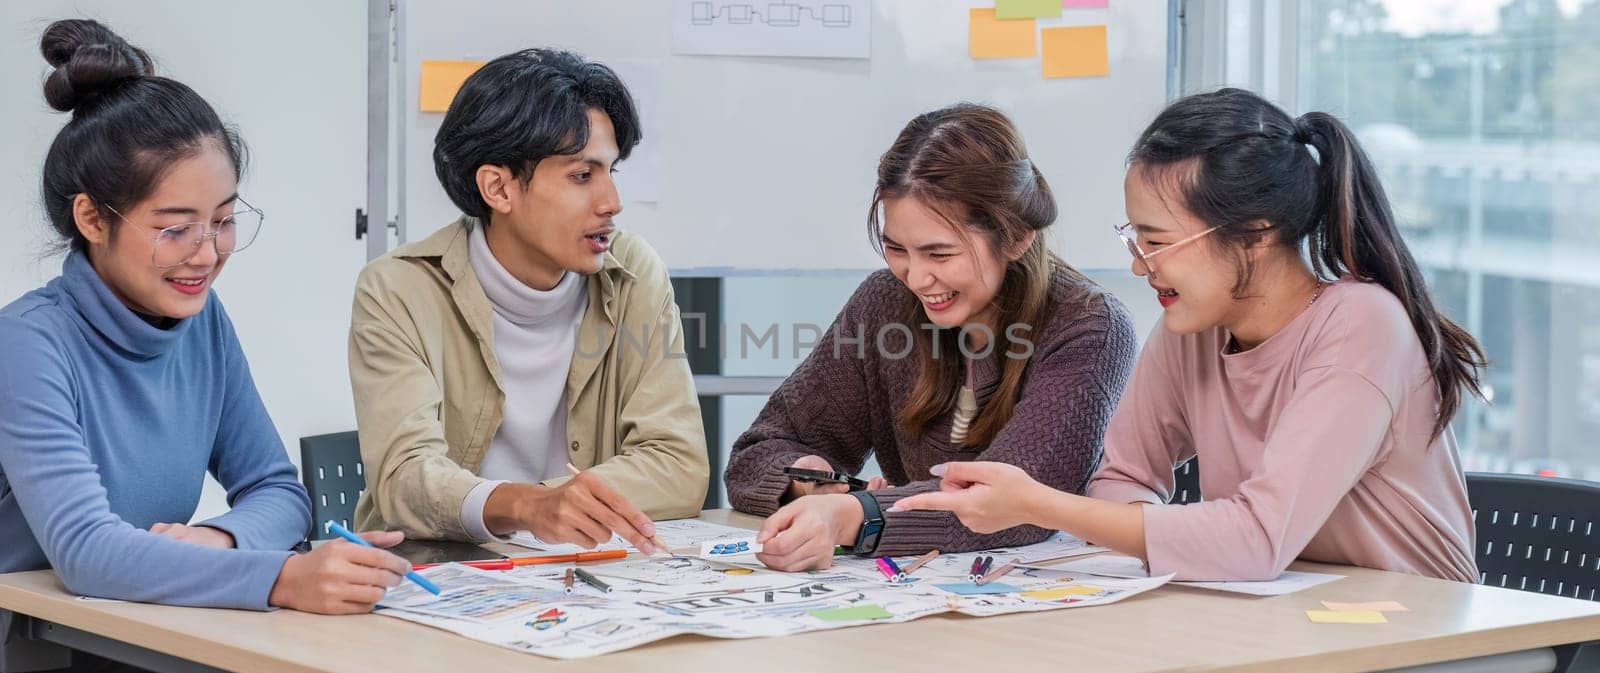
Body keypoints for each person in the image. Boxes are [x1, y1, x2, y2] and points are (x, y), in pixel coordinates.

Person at [895, 88, 1484, 583]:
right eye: (1135, 239)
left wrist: (1037, 504)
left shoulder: (1363, 324)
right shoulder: (1196, 328)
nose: (1140, 264)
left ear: (1255, 233)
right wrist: (1187, 540)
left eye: (1157, 241)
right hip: (1282, 625)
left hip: (1420, 640)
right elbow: (1121, 478)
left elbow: (1255, 539)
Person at [0, 19, 410, 617]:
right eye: (174, 228)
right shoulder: (28, 343)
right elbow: (85, 552)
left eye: (222, 220)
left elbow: (278, 492)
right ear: (92, 219)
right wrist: (283, 578)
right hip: (33, 640)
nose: (207, 252)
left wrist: (220, 538)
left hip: (132, 627)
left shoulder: (202, 322)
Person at [723, 103, 1138, 571]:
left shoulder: (1089, 326)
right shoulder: (884, 303)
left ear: (1017, 237)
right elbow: (757, 452)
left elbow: (1013, 506)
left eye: (939, 254)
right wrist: (808, 481)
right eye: (896, 248)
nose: (916, 278)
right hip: (915, 593)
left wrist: (854, 516)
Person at [349, 48, 708, 551]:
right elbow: (405, 479)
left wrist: (550, 505)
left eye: (612, 172)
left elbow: (678, 465)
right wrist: (525, 508)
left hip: (582, 580)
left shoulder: (633, 274)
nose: (612, 202)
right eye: (582, 176)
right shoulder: (397, 290)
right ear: (498, 188)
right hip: (439, 578)